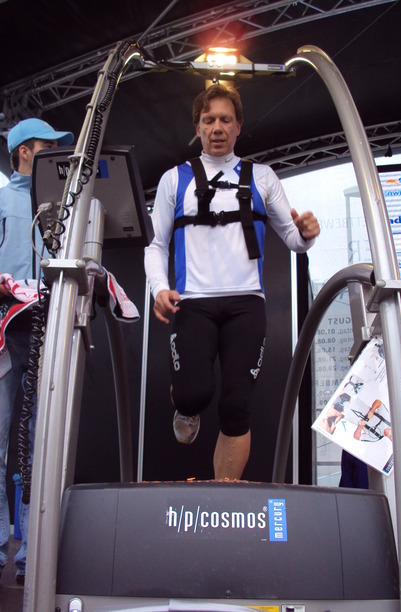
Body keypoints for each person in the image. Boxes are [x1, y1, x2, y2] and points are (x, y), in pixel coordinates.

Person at [144, 84, 320, 480]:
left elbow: (293, 240)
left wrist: (307, 233)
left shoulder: (263, 177)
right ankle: (185, 403)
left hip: (246, 304)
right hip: (193, 302)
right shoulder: (174, 179)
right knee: (193, 393)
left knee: (237, 405)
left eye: (226, 120)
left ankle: (225, 494)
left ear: (238, 126)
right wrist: (159, 288)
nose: (217, 128)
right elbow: (155, 245)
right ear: (198, 127)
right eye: (209, 120)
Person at [0, 118, 74, 584]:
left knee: (39, 444)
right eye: (49, 146)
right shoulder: (2, 199)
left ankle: (31, 553)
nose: (56, 154)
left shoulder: (63, 204)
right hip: (4, 331)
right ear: (25, 151)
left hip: (47, 324)